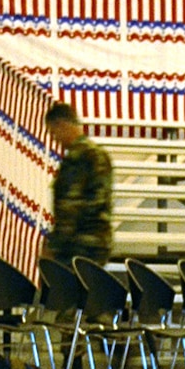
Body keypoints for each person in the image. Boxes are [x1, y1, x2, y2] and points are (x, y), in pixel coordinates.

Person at [44, 102, 113, 264]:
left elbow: (70, 209)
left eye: (54, 133)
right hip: (99, 244)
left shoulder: (77, 158)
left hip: (78, 247)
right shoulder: (100, 155)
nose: (56, 139)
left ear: (61, 124)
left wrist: (53, 247)